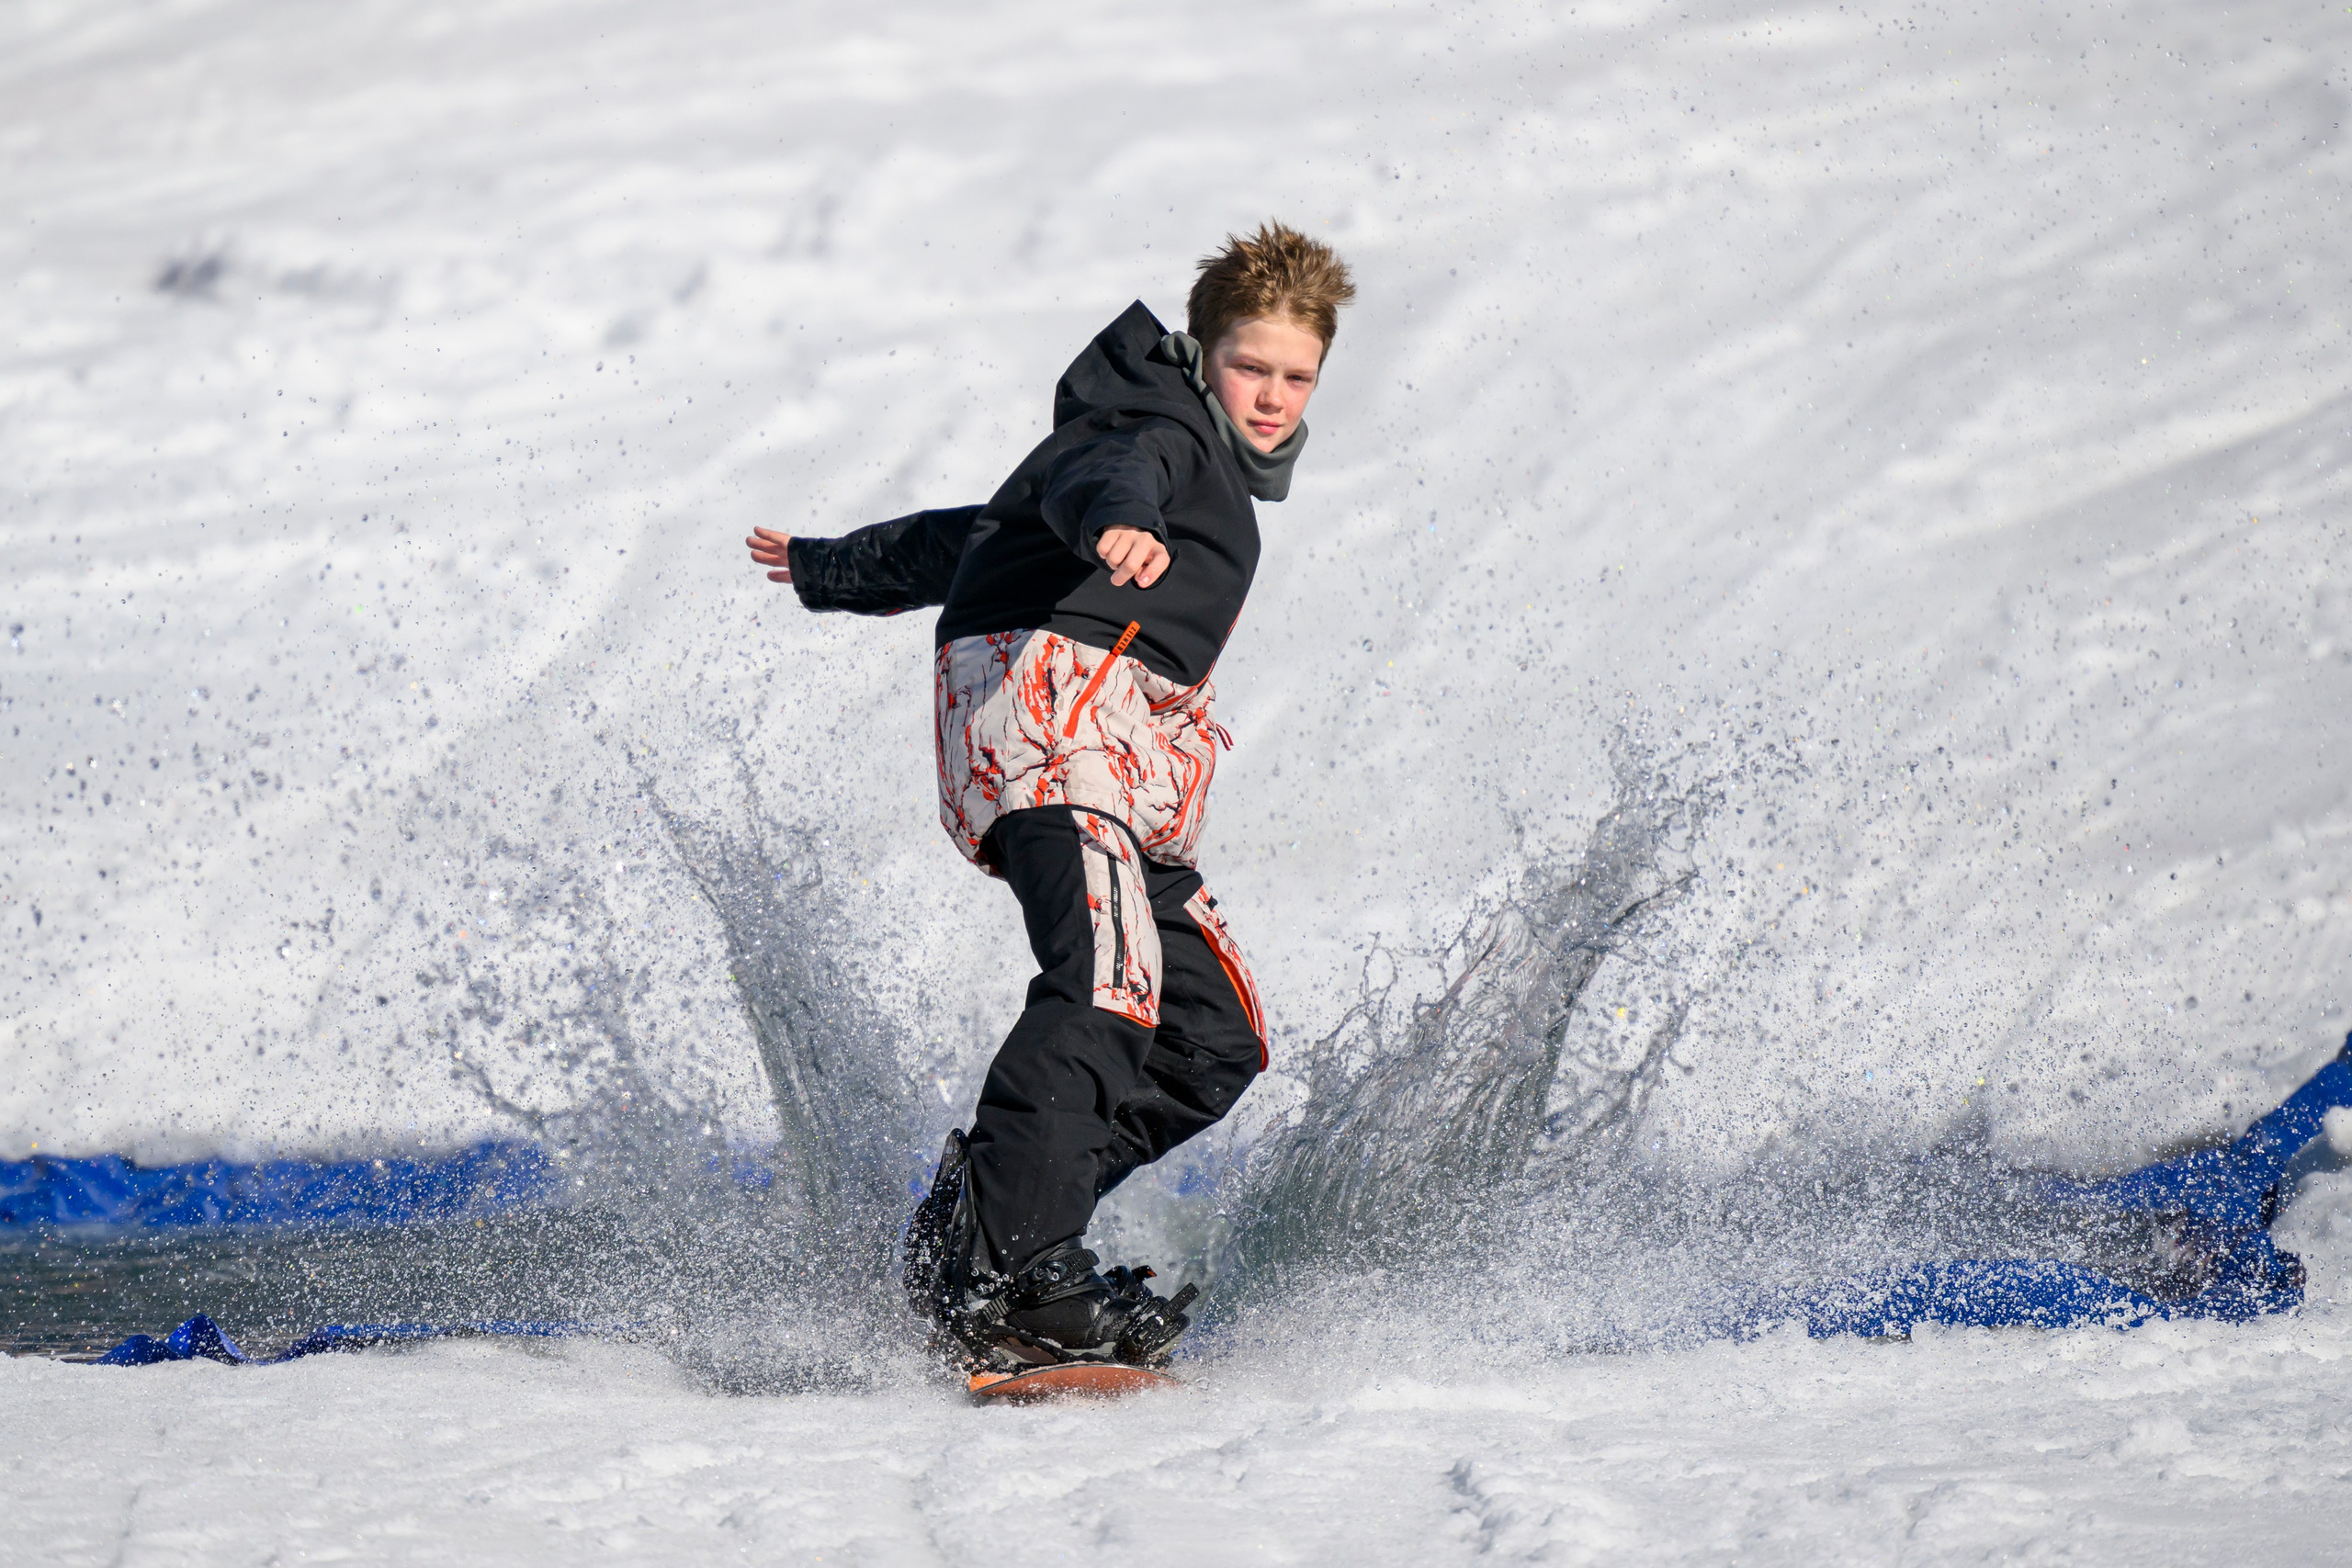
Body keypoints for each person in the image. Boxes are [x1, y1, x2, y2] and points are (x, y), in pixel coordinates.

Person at [745, 221, 1354, 1371]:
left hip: (1121, 753)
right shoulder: (1155, 426)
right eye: (1249, 367)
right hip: (1052, 714)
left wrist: (835, 567)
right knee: (1105, 984)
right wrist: (1116, 521)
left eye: (1296, 376)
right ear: (1201, 351)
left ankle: (979, 1229)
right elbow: (1098, 479)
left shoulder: (1199, 450)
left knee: (1209, 1036)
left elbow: (982, 535)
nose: (1270, 397)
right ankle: (1021, 1272)